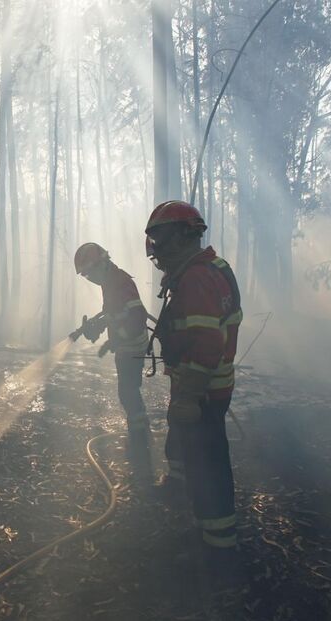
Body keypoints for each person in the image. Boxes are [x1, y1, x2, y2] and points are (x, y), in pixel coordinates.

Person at [145, 200, 243, 553]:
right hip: (208, 387)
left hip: (202, 390)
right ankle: (207, 526)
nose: (156, 249)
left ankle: (218, 544)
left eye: (160, 239)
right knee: (203, 457)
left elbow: (206, 342)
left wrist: (188, 396)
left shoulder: (197, 278)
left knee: (208, 465)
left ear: (182, 236)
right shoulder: (209, 269)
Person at [72, 243, 151, 434]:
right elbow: (113, 313)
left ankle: (139, 435)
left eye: (90, 273)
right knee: (128, 391)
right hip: (125, 346)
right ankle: (138, 428)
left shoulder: (121, 282)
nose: (90, 278)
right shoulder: (110, 282)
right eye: (86, 276)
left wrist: (115, 340)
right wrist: (97, 327)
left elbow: (137, 318)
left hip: (132, 347)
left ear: (102, 263)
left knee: (128, 391)